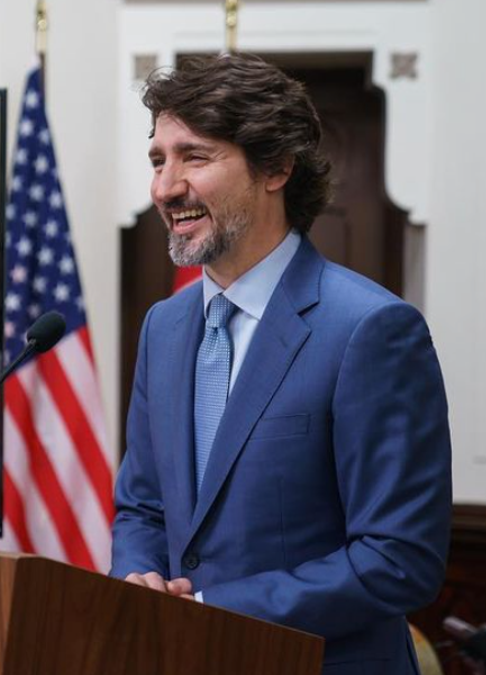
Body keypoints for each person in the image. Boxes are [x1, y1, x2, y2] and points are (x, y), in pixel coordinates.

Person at [110, 54, 451, 675]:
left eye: (195, 156)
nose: (165, 186)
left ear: (276, 168)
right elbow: (144, 506)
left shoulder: (371, 330)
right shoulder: (164, 327)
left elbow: (398, 558)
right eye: (158, 159)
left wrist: (211, 609)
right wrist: (139, 586)